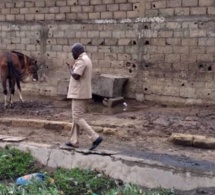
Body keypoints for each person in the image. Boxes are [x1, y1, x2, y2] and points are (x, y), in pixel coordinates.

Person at [65, 43, 103, 150]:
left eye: (73, 52)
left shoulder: (82, 60)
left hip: (79, 94)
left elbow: (76, 76)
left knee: (77, 117)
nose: (72, 54)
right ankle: (74, 141)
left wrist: (70, 68)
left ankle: (95, 137)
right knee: (76, 117)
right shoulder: (86, 59)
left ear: (77, 52)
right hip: (81, 92)